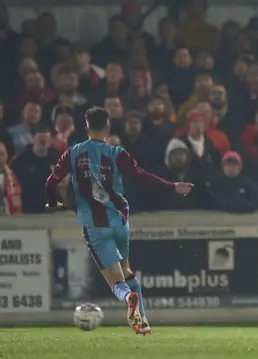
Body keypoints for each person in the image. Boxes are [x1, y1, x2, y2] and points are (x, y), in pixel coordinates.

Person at [44, 107, 193, 335]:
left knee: (116, 282)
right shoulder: (117, 153)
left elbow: (51, 183)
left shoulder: (73, 153)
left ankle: (128, 298)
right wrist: (173, 186)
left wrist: (53, 203)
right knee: (126, 269)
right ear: (108, 127)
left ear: (86, 127)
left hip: (95, 225)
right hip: (120, 221)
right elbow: (142, 177)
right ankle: (141, 320)